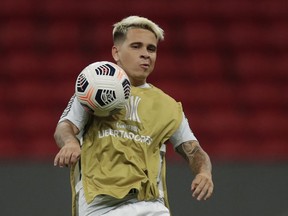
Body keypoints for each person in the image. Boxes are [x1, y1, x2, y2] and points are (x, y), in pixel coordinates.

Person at [54, 15, 214, 216]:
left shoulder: (168, 106)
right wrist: (70, 142)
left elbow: (193, 150)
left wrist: (203, 172)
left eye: (151, 49)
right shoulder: (93, 89)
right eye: (136, 46)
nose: (146, 54)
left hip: (152, 206)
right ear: (116, 52)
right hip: (101, 207)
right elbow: (65, 127)